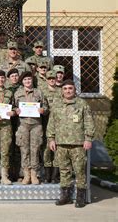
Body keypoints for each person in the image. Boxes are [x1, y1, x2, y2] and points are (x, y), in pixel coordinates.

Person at [48, 79, 94, 208]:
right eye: (65, 88)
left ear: (74, 90)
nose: (68, 91)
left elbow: (89, 122)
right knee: (64, 170)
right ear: (62, 91)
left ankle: (80, 197)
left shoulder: (82, 104)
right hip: (61, 143)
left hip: (78, 143)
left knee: (79, 170)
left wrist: (88, 138)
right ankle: (65, 196)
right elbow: (52, 123)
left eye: (70, 88)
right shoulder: (57, 104)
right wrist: (51, 139)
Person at [14, 71, 48, 185]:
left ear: (32, 80)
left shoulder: (39, 92)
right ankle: (26, 174)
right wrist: (15, 111)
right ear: (22, 81)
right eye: (25, 80)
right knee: (24, 150)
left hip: (36, 125)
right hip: (23, 125)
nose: (27, 81)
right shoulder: (17, 93)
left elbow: (46, 107)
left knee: (35, 149)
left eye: (29, 79)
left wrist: (43, 110)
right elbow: (12, 107)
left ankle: (34, 174)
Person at [42, 70, 62, 184]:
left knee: (58, 149)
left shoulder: (61, 91)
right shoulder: (42, 92)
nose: (52, 80)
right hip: (46, 123)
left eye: (53, 78)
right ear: (47, 80)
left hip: (59, 125)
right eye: (49, 79)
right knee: (46, 150)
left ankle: (55, 175)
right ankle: (47, 175)